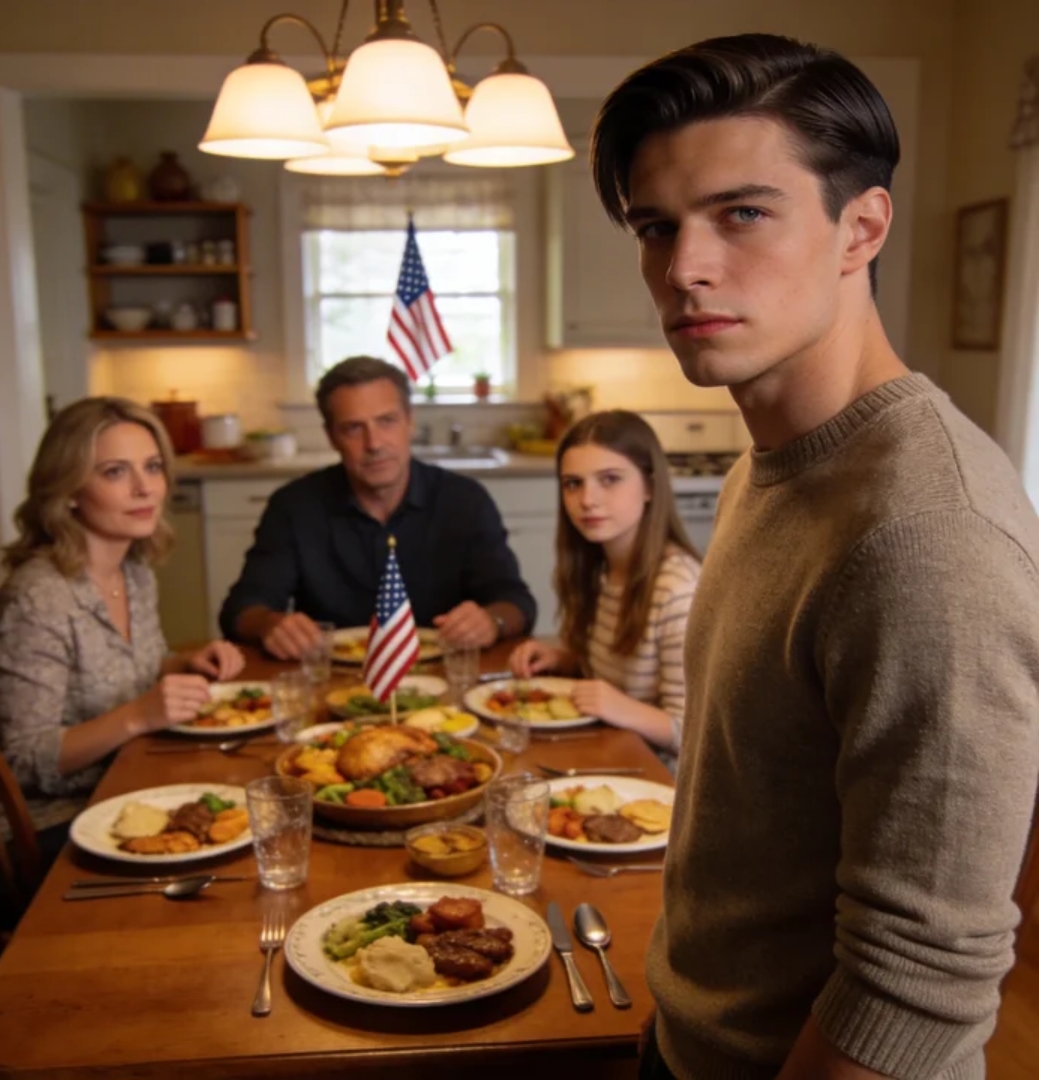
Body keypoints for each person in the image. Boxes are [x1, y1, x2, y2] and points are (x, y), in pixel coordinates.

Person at [591, 33, 1039, 1080]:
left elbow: (918, 983)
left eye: (743, 214)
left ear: (860, 228)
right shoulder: (769, 465)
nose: (684, 268)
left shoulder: (928, 534)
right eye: (657, 227)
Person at [0, 397, 244, 848]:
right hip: (43, 828)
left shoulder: (134, 570)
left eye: (153, 467)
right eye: (115, 472)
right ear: (68, 490)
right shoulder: (36, 600)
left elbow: (134, 667)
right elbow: (20, 759)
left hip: (123, 787)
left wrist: (185, 664)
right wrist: (139, 715)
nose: (145, 488)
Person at [220, 356, 536, 659]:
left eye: (387, 421)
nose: (374, 444)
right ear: (331, 437)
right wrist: (269, 625)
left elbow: (515, 602)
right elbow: (241, 608)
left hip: (444, 678)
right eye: (353, 428)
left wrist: (491, 622)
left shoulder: (465, 501)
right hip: (333, 679)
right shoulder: (293, 506)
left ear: (410, 422)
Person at [509, 410, 699, 763]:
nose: (587, 499)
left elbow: (695, 737)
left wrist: (618, 706)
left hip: (656, 778)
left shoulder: (678, 592)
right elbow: (609, 678)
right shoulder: (598, 568)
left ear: (650, 487)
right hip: (606, 751)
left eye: (609, 479)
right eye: (573, 483)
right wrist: (564, 660)